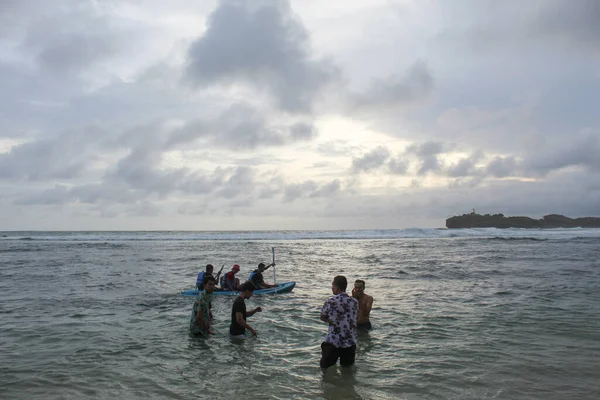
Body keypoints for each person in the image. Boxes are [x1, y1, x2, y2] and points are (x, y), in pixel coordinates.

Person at [320, 275, 358, 369]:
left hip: (334, 341)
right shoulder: (354, 302)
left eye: (332, 286)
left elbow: (322, 317)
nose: (332, 288)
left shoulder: (330, 301)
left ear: (337, 288)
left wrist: (332, 321)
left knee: (326, 369)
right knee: (347, 370)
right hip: (350, 341)